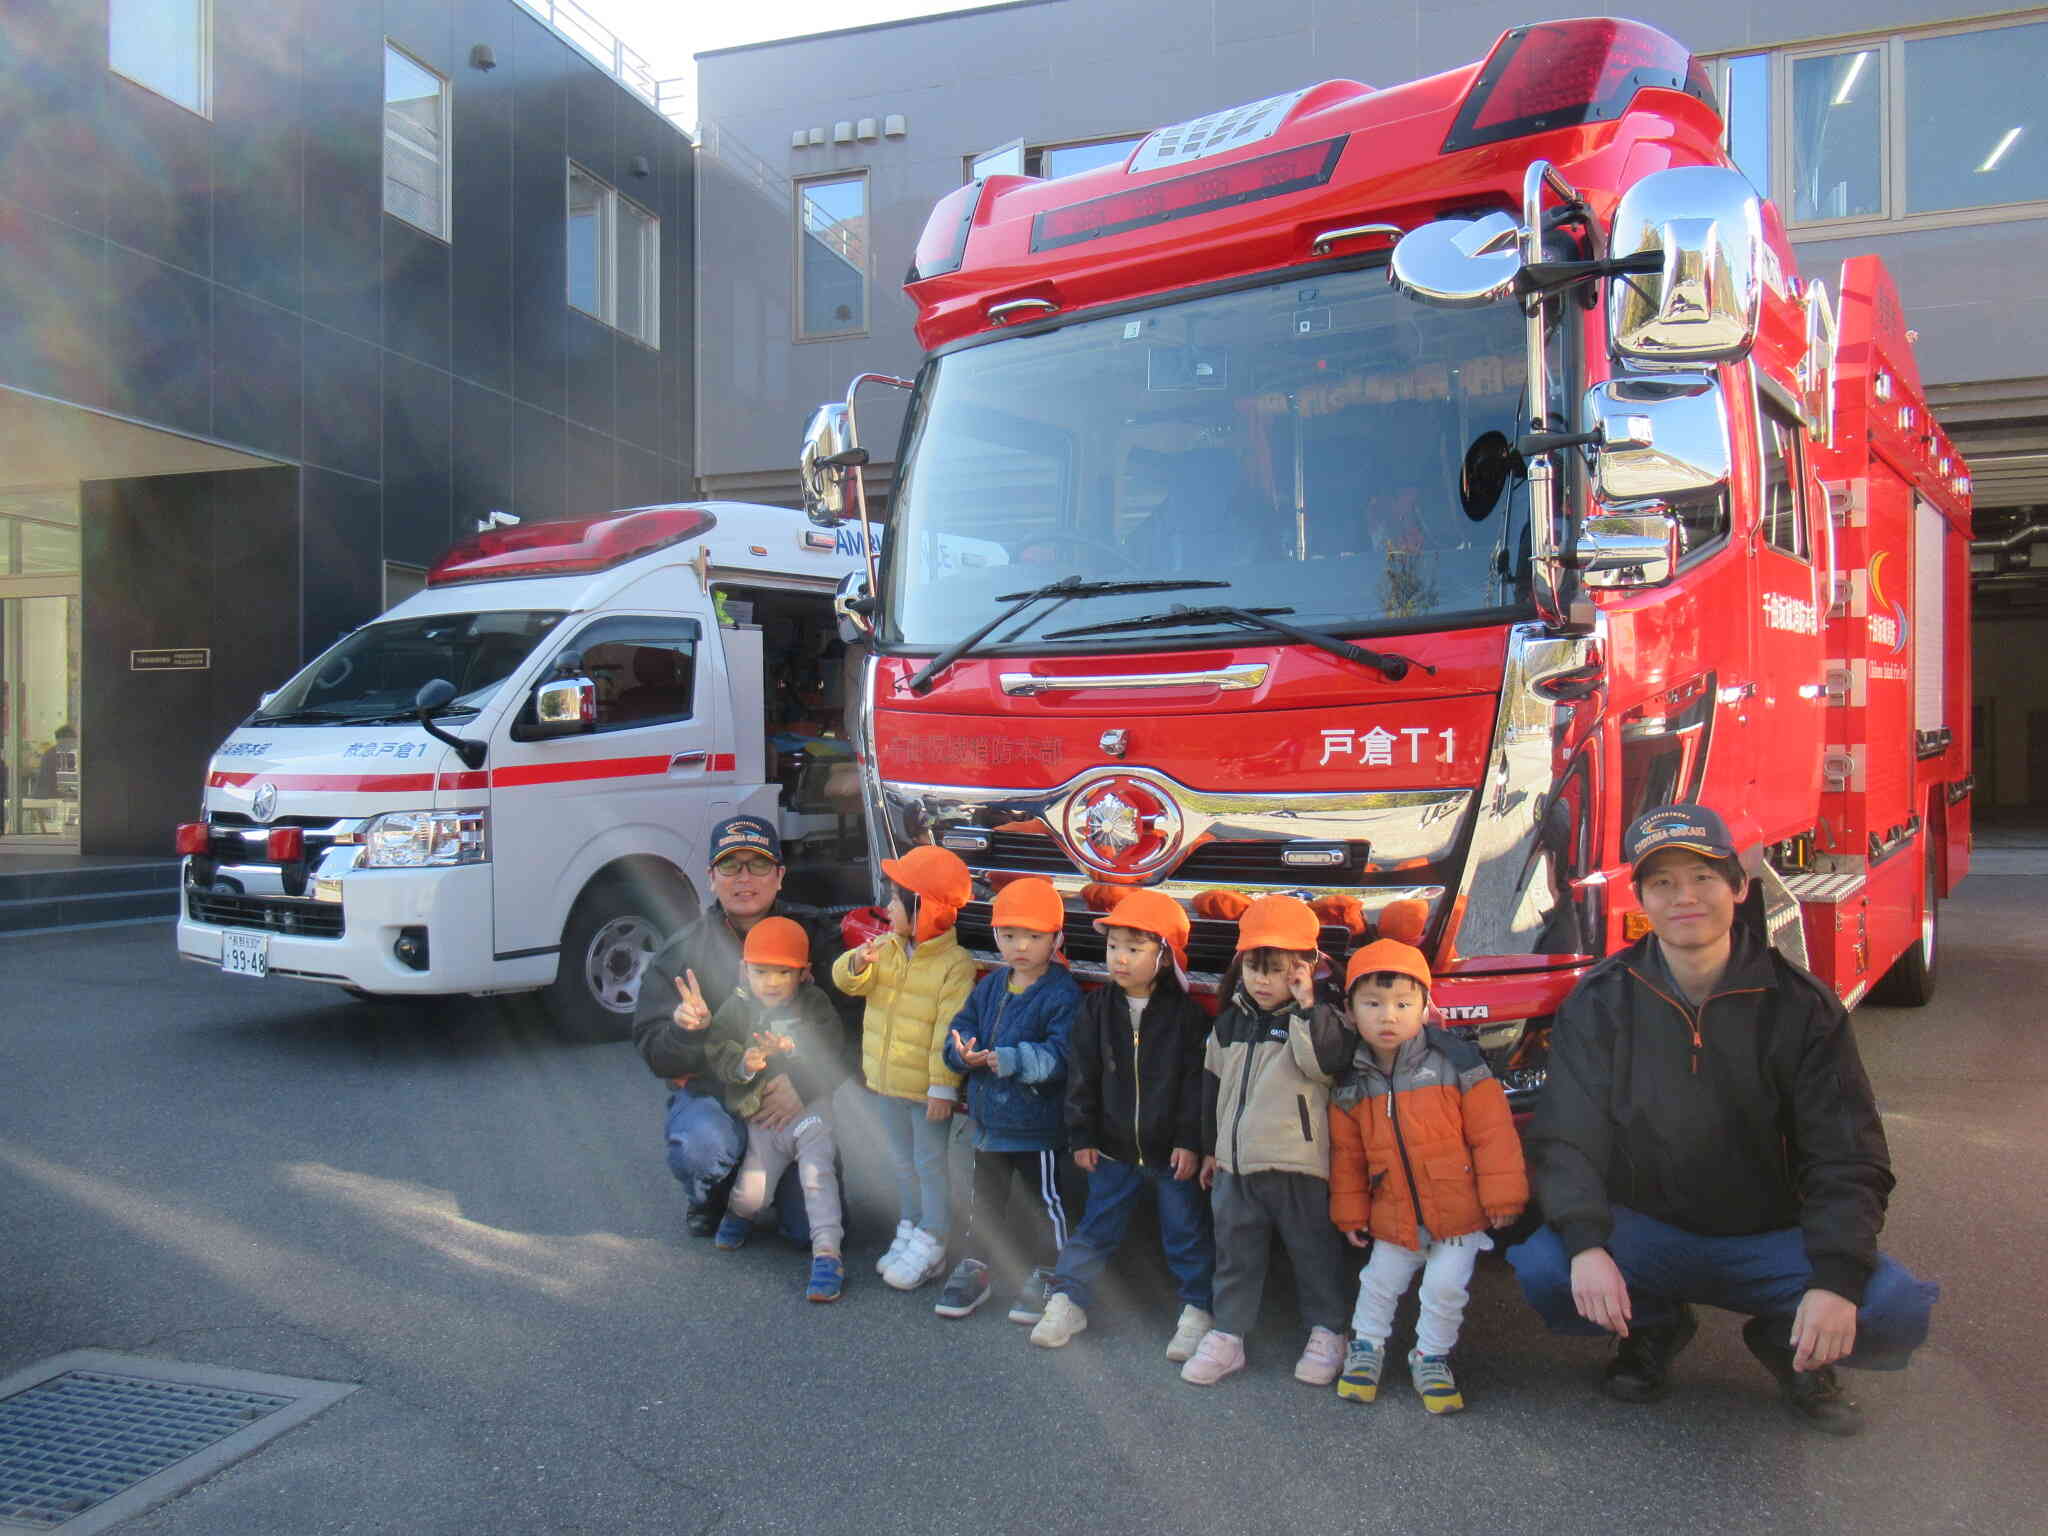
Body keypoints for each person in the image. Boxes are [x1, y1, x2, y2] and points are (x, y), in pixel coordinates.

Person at [1507, 803, 1939, 1436]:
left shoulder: (1801, 1007)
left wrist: (1836, 1278)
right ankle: (1653, 1326)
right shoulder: (1602, 1002)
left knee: (1892, 1307)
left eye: (1704, 877)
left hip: (1771, 1238)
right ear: (1642, 899)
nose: (1685, 896)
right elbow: (1565, 1139)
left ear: (1739, 887)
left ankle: (1789, 1340)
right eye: (1663, 882)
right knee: (1549, 1266)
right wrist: (1585, 1241)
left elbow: (1848, 1155)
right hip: (1648, 1231)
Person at [1327, 927, 1527, 1414]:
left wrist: (1502, 1198)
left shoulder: (1458, 1065)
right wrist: (1350, 1211)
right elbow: (1348, 1156)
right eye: (1373, 1004)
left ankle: (1431, 1356)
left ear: (1425, 1008)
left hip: (1460, 1215)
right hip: (1394, 1214)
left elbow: (1493, 1134)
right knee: (1378, 1282)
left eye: (1401, 1003)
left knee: (1444, 1289)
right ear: (1351, 1014)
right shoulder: (1352, 1081)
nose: (1388, 1016)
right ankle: (1367, 1346)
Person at [632, 815, 847, 1240]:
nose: (744, 878)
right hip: (716, 1095)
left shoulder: (818, 936)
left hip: (790, 1104)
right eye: (730, 866)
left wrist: (806, 1083)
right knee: (702, 1146)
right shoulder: (680, 952)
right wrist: (684, 1031)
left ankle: (764, 1190)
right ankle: (711, 1194)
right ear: (712, 878)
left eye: (759, 864)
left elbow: (857, 1032)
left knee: (809, 1232)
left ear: (781, 875)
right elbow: (653, 1052)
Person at [1030, 890, 1215, 1361]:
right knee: (1095, 1226)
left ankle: (1197, 1309)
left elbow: (1196, 1086)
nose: (1120, 958)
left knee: (1185, 1230)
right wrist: (1082, 1134)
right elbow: (1081, 1075)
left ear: (1165, 954)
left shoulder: (1187, 1017)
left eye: (1135, 948)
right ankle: (1068, 1299)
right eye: (1114, 946)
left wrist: (1190, 1141)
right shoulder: (1096, 1009)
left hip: (1169, 1152)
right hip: (1111, 1147)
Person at [1182, 895, 1353, 1388]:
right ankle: (1229, 1334)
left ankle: (1328, 1331)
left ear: (1305, 968)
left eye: (1277, 969)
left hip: (1296, 1163)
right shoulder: (1231, 1019)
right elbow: (1212, 1087)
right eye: (1254, 966)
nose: (1261, 979)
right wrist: (1212, 1147)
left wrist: (1306, 1005)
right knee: (1235, 1252)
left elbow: (1326, 1065)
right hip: (1236, 1165)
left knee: (1312, 1251)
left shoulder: (1319, 1017)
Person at [935, 877, 1085, 1325]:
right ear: (996, 935)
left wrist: (1012, 1059)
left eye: (1034, 937)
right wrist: (959, 1053)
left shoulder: (1062, 993)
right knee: (985, 1201)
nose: (1020, 946)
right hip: (989, 1122)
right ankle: (978, 1265)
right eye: (1010, 935)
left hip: (1038, 1124)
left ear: (1057, 939)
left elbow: (1062, 1056)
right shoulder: (991, 986)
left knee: (1047, 1205)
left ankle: (1051, 1273)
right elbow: (961, 1026)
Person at [680, 916, 851, 1302]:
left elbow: (833, 1049)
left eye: (783, 973)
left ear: (804, 973)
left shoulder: (815, 1003)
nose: (771, 982)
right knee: (753, 1188)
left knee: (817, 1180)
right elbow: (718, 1050)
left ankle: (828, 1255)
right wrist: (745, 1063)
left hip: (811, 1116)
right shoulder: (737, 1006)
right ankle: (738, 1215)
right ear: (744, 971)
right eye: (761, 972)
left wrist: (795, 1051)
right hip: (764, 1119)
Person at [832, 844, 977, 1291]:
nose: (888, 908)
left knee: (929, 1161)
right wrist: (857, 961)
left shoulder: (956, 965)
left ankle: (934, 1238)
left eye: (897, 900)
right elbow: (846, 981)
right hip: (886, 1080)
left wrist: (943, 1087)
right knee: (901, 1161)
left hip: (925, 1091)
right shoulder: (886, 948)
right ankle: (910, 1227)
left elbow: (948, 1031)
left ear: (926, 909)